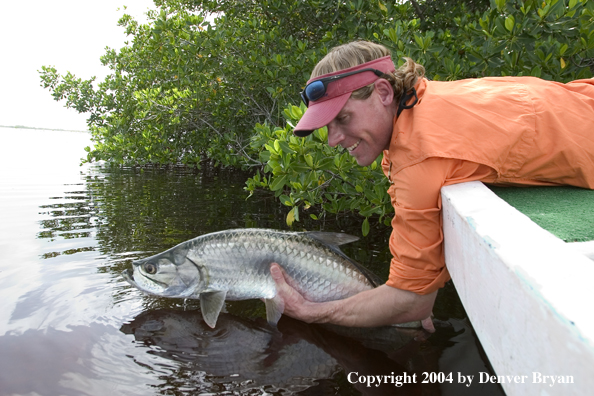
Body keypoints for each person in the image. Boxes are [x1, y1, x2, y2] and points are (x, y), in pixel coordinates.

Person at [269, 40, 594, 332]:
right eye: (327, 127)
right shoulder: (424, 101)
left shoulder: (418, 153)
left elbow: (413, 302)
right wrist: (404, 291)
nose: (334, 140)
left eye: (342, 118)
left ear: (383, 93)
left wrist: (312, 312)